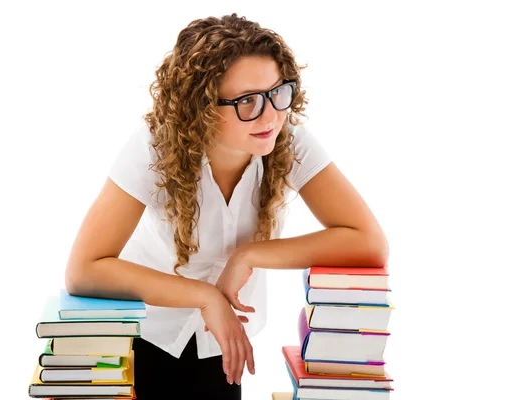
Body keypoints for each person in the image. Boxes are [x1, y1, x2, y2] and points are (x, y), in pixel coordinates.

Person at [64, 13, 389, 400]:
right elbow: (84, 269)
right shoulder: (154, 147)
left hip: (221, 348)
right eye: (247, 101)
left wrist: (249, 255)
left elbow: (369, 241)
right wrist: (205, 297)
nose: (270, 114)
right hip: (143, 337)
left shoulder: (288, 140)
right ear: (200, 108)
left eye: (277, 92)